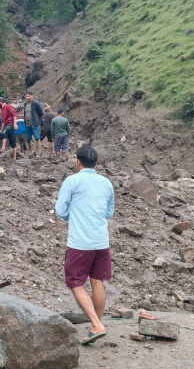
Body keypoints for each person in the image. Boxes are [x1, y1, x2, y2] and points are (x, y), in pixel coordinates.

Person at [55, 146, 114, 346]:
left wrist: (75, 216)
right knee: (97, 281)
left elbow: (60, 210)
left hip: (80, 242)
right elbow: (108, 212)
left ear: (77, 161)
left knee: (75, 282)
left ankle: (97, 325)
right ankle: (95, 325)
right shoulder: (106, 183)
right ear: (95, 163)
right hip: (101, 240)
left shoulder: (72, 181)